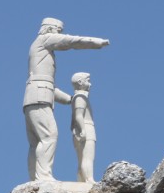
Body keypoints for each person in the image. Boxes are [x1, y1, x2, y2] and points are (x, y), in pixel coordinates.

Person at [23, 18, 109, 181]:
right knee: (49, 135)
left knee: (36, 142)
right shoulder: (44, 40)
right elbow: (71, 42)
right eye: (58, 31)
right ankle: (43, 176)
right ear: (49, 29)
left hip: (34, 96)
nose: (59, 35)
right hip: (40, 96)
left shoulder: (37, 50)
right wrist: (96, 43)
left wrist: (72, 100)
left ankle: (35, 177)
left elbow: (52, 89)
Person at [70, 72, 97, 183]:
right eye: (87, 80)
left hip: (80, 129)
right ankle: (89, 180)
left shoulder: (77, 97)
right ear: (80, 82)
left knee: (83, 158)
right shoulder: (80, 97)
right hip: (86, 127)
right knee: (88, 157)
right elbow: (78, 115)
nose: (90, 84)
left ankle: (82, 180)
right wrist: (82, 130)